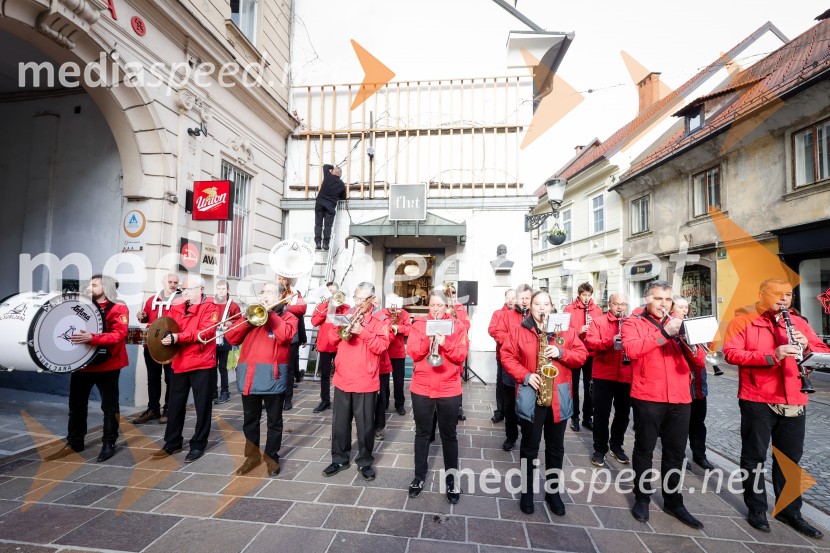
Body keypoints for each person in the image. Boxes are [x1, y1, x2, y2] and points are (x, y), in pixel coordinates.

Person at [723, 278, 829, 538]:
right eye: (777, 294)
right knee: (754, 457)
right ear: (761, 295)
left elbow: (823, 351)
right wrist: (773, 355)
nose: (784, 299)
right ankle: (757, 508)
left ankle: (790, 511)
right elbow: (731, 353)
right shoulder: (743, 321)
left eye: (788, 295)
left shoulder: (799, 322)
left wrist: (806, 345)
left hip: (795, 396)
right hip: (757, 397)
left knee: (790, 459)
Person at [622, 280, 706, 529]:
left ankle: (673, 501)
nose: (663, 304)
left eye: (667, 299)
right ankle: (642, 497)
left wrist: (686, 339)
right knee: (644, 448)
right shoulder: (633, 323)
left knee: (676, 452)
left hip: (680, 397)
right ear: (647, 300)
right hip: (648, 394)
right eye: (658, 299)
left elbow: (700, 361)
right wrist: (663, 334)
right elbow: (632, 350)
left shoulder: (682, 324)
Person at [501, 290, 587, 516]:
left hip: (559, 395)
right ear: (530, 307)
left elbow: (581, 356)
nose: (541, 308)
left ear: (551, 307)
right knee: (529, 448)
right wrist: (526, 376)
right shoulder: (519, 330)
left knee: (556, 448)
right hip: (532, 393)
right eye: (537, 304)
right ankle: (527, 493)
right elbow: (507, 356)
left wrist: (560, 351)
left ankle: (553, 493)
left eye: (545, 304)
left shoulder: (565, 329)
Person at [46, 275, 129, 463]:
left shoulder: (118, 307)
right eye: (90, 285)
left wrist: (92, 338)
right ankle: (74, 442)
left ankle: (109, 443)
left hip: (108, 365)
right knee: (76, 406)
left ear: (106, 287)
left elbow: (119, 335)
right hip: (82, 364)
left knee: (109, 407)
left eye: (95, 285)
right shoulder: (82, 304)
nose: (90, 288)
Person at [225, 282, 298, 476]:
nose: (265, 295)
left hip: (273, 377)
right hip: (249, 376)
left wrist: (270, 314)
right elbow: (232, 338)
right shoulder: (250, 314)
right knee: (250, 420)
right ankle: (252, 457)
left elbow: (286, 336)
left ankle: (272, 457)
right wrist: (249, 320)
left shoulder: (288, 316)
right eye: (263, 292)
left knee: (274, 421)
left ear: (281, 296)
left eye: (270, 292)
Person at [323, 282, 390, 481]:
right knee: (340, 424)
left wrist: (362, 331)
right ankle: (339, 459)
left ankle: (365, 461)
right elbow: (331, 340)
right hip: (343, 377)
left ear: (372, 299)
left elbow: (381, 347)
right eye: (356, 298)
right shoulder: (346, 313)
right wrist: (340, 328)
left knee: (366, 426)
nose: (358, 303)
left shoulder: (381, 318)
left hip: (365, 379)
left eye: (362, 299)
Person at [407, 291, 469, 503]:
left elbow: (461, 355)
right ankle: (419, 476)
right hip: (422, 387)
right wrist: (428, 339)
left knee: (449, 436)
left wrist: (445, 343)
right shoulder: (418, 324)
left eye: (439, 306)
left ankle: (451, 481)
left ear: (447, 307)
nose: (435, 309)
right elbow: (413, 352)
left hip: (448, 388)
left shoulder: (457, 326)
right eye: (432, 305)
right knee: (422, 433)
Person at [151, 276, 219, 463]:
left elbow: (206, 332)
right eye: (183, 289)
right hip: (180, 362)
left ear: (201, 289)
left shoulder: (211, 306)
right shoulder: (177, 306)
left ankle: (198, 444)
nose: (185, 293)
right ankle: (172, 442)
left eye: (189, 289)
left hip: (202, 362)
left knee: (202, 406)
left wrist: (177, 338)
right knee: (175, 405)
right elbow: (167, 327)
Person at [585, 293, 632, 467]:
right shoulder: (599, 322)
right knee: (601, 414)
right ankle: (599, 449)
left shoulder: (630, 322)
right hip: (603, 374)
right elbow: (590, 343)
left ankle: (616, 446)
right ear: (609, 305)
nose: (620, 307)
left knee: (623, 414)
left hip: (626, 374)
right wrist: (609, 341)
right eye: (616, 304)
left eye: (623, 304)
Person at [671, 296, 714, 471]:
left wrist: (704, 339)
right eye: (680, 307)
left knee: (698, 421)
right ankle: (679, 455)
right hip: (680, 379)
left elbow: (707, 349)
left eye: (686, 307)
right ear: (672, 308)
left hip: (698, 380)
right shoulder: (670, 327)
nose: (684, 310)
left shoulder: (693, 324)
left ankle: (699, 454)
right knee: (679, 423)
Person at [133, 273, 180, 424]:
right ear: (163, 282)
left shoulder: (180, 301)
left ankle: (168, 409)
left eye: (175, 282)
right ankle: (153, 409)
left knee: (170, 378)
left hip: (170, 345)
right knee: (152, 378)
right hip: (151, 344)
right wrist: (141, 315)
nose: (173, 285)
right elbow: (146, 318)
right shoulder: (151, 300)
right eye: (170, 282)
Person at [492, 284, 532, 451]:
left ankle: (529, 435)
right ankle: (511, 435)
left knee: (528, 401)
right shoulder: (506, 315)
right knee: (509, 403)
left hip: (529, 365)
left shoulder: (536, 314)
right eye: (521, 298)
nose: (524, 302)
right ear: (516, 299)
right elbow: (497, 333)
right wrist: (515, 338)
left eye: (527, 298)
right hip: (510, 363)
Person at [564, 282, 602, 432]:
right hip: (574, 351)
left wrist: (593, 328)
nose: (586, 298)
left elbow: (601, 330)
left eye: (588, 295)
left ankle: (588, 417)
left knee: (590, 387)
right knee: (573, 386)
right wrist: (580, 330)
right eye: (583, 295)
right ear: (579, 295)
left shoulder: (597, 310)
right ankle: (575, 417)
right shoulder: (569, 309)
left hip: (591, 352)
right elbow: (564, 330)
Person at [311, 282, 349, 413]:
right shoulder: (321, 306)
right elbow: (314, 322)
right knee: (325, 375)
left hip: (339, 344)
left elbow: (347, 323)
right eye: (330, 292)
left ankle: (342, 400)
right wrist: (327, 309)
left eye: (334, 292)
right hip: (325, 345)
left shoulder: (345, 307)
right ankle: (325, 401)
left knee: (342, 373)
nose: (332, 294)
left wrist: (335, 312)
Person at [376, 294, 412, 416]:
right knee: (384, 381)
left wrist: (398, 327)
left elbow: (409, 329)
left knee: (399, 381)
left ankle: (399, 404)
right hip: (384, 351)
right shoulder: (381, 313)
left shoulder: (404, 313)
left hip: (398, 352)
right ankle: (384, 402)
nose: (393, 308)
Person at [278, 273, 307, 412]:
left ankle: (287, 399)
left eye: (283, 278)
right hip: (275, 334)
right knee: (276, 369)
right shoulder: (273, 290)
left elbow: (302, 309)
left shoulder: (296, 293)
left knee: (289, 370)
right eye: (279, 278)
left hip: (291, 335)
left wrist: (285, 308)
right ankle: (275, 397)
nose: (281, 281)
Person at [488, 288, 516, 423]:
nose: (510, 300)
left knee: (514, 385)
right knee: (501, 384)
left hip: (518, 357)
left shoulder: (519, 314)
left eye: (513, 298)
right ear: (505, 299)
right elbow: (492, 330)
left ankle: (514, 412)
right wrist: (511, 339)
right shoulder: (498, 313)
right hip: (503, 355)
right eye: (508, 298)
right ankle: (500, 411)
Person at [212, 279, 241, 405]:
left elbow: (240, 320)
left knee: (222, 367)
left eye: (223, 289)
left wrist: (231, 322)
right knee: (211, 367)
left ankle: (225, 392)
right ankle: (213, 392)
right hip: (212, 338)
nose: (221, 291)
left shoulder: (233, 305)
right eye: (219, 289)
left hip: (225, 337)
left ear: (228, 290)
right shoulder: (211, 303)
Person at [314, 165, 346, 251]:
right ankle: (325, 243)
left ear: (333, 172)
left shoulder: (328, 176)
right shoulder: (342, 185)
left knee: (318, 224)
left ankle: (317, 242)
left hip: (320, 204)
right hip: (330, 207)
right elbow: (343, 199)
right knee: (328, 226)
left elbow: (325, 166)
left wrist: (332, 167)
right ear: (340, 175)